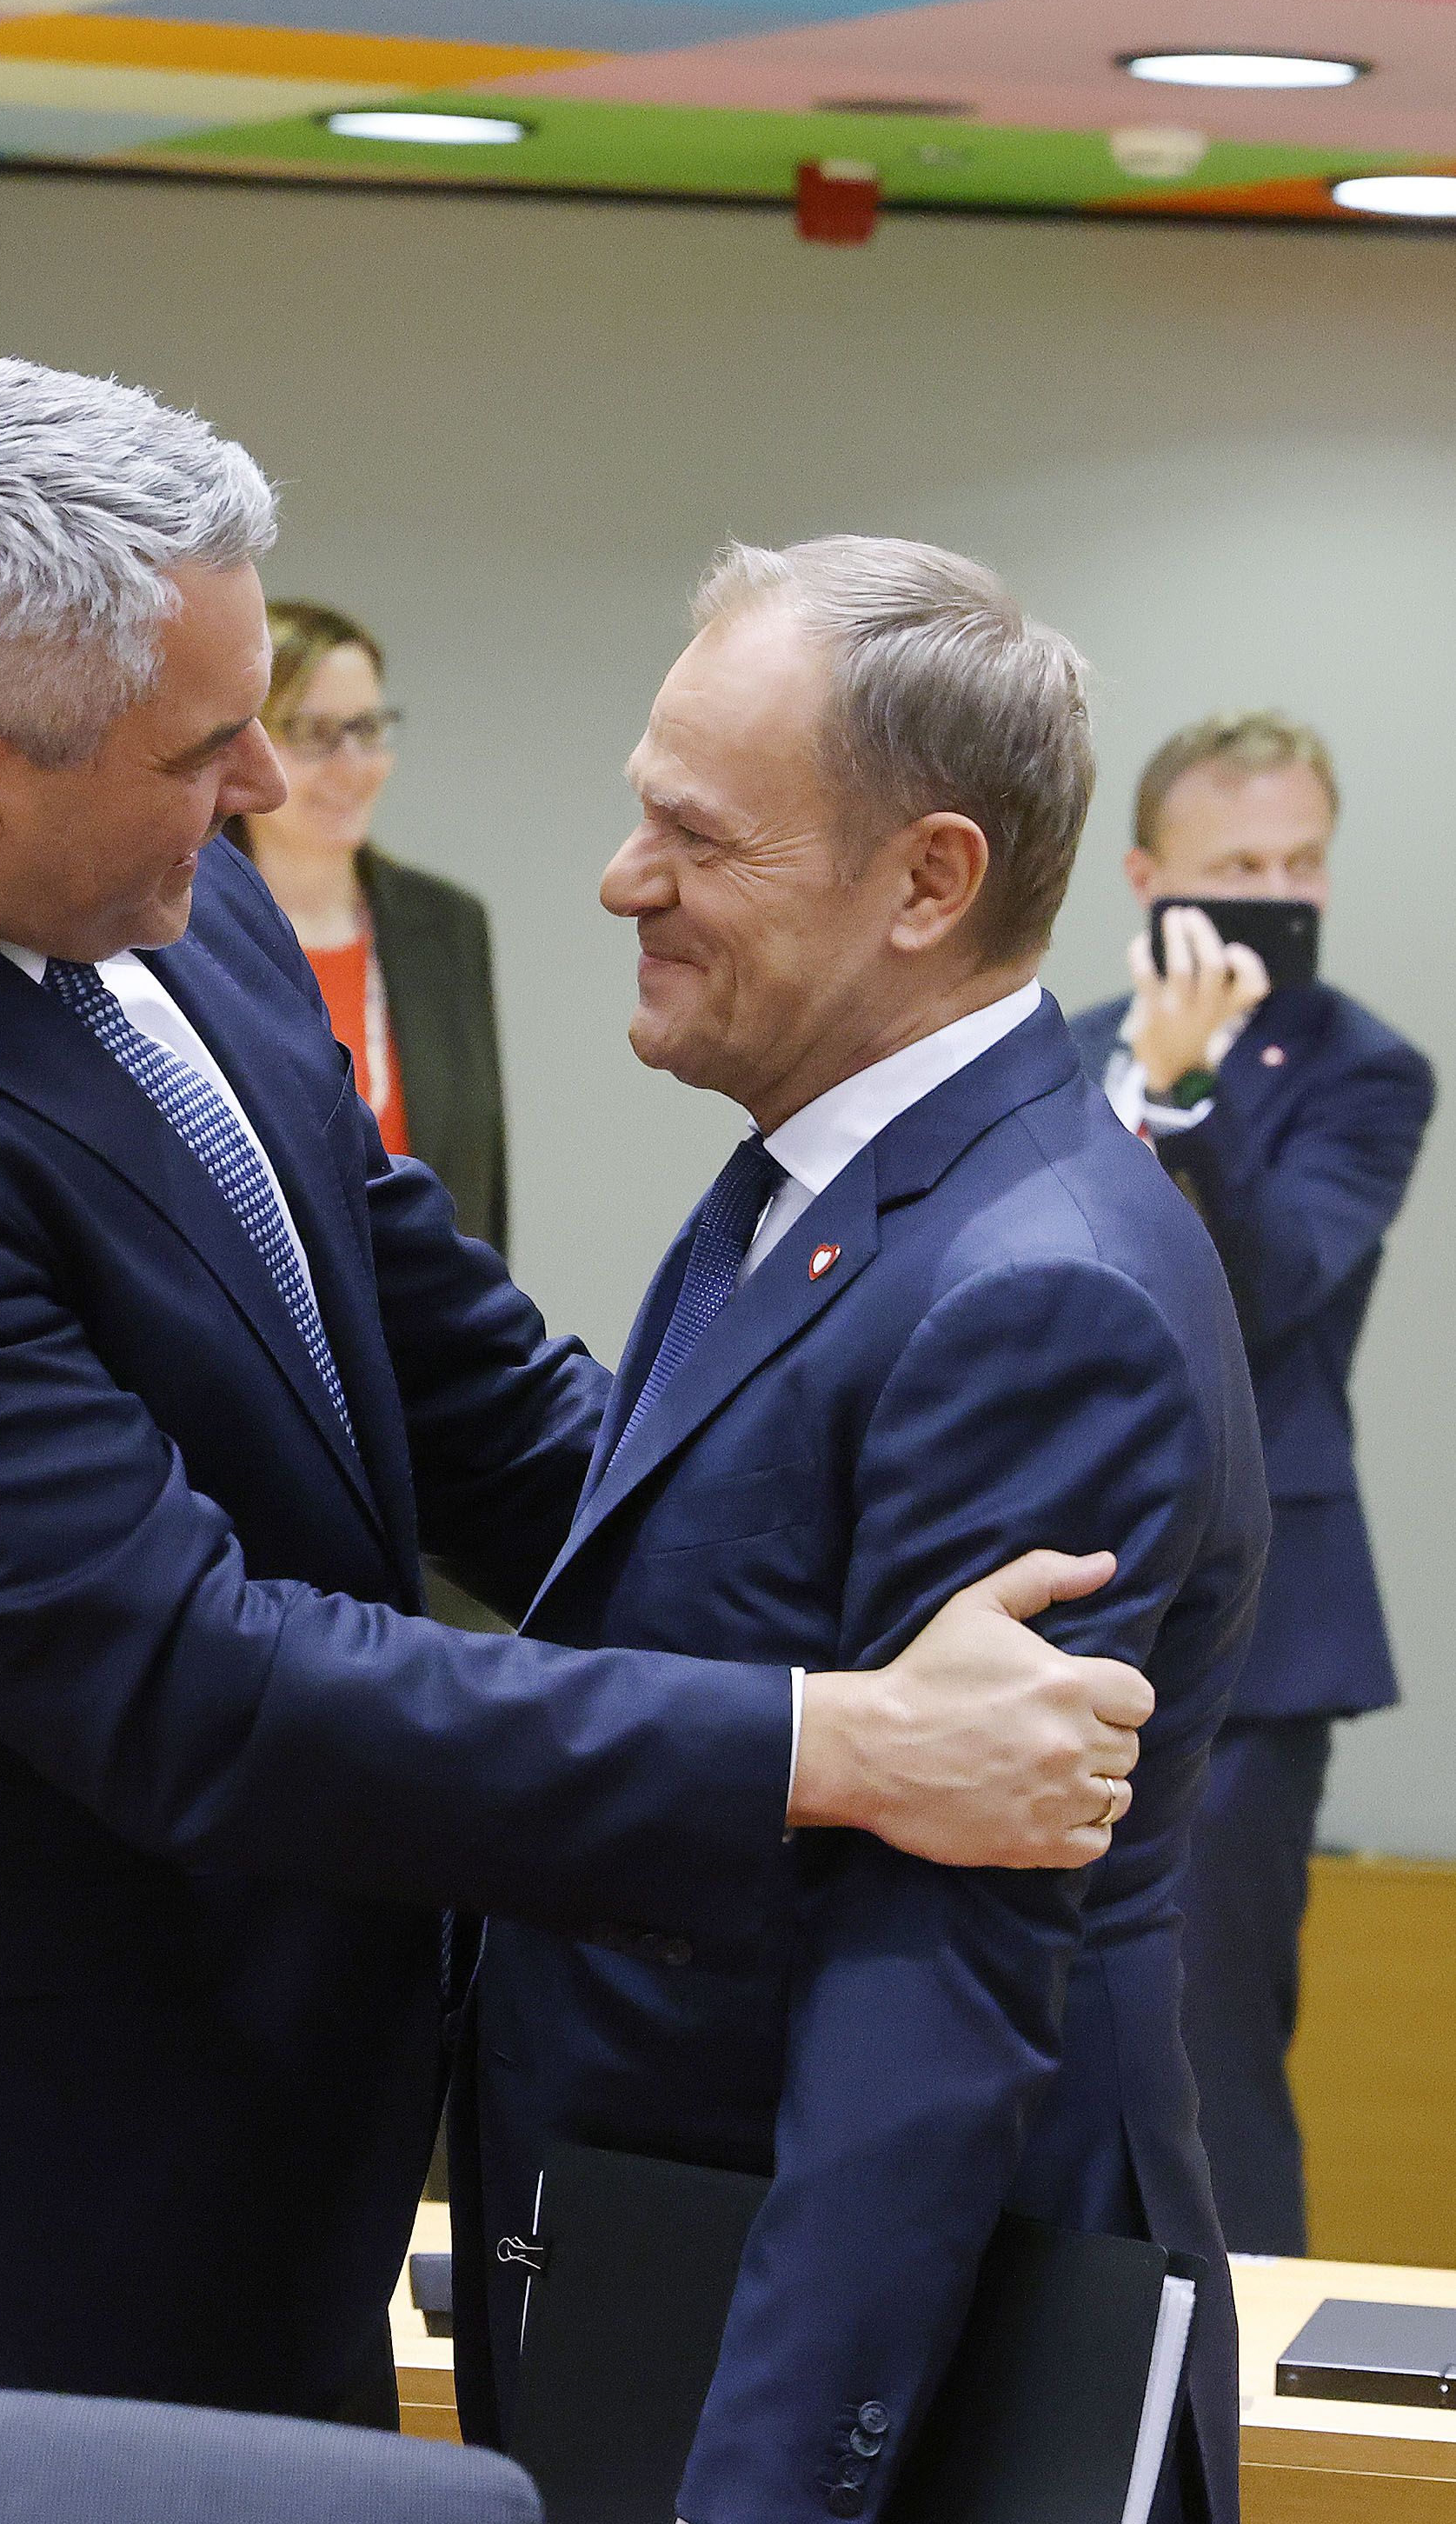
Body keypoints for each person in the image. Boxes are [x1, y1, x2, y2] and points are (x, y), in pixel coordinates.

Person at [0, 363, 1152, 2415]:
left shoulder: (150, 882)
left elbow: (450, 1373)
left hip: (286, 2161)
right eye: (203, 749)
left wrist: (828, 1590)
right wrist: (822, 1740)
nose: (264, 791)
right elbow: (194, 1684)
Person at [461, 540, 1267, 2524]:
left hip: (882, 2386)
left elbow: (932, 2007)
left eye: (693, 837)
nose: (618, 879)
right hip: (691, 2289)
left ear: (927, 882)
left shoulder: (1032, 1289)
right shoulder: (816, 1180)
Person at [1069, 713, 1435, 2255]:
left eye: (1299, 865)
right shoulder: (1062, 1043)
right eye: (1236, 870)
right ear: (1149, 877)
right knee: (1037, 2038)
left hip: (1259, 1628)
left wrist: (1183, 1093)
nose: (1274, 895)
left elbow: (1272, 1286)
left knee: (1207, 2046)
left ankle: (1236, 2424)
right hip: (1063, 1596)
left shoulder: (1368, 1074)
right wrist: (1132, 1085)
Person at [231, 600, 508, 1253]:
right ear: (247, 747)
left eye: (366, 728)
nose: (352, 764)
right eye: (313, 733)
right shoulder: (182, 936)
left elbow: (480, 1190)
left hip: (426, 1340)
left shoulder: (447, 927)